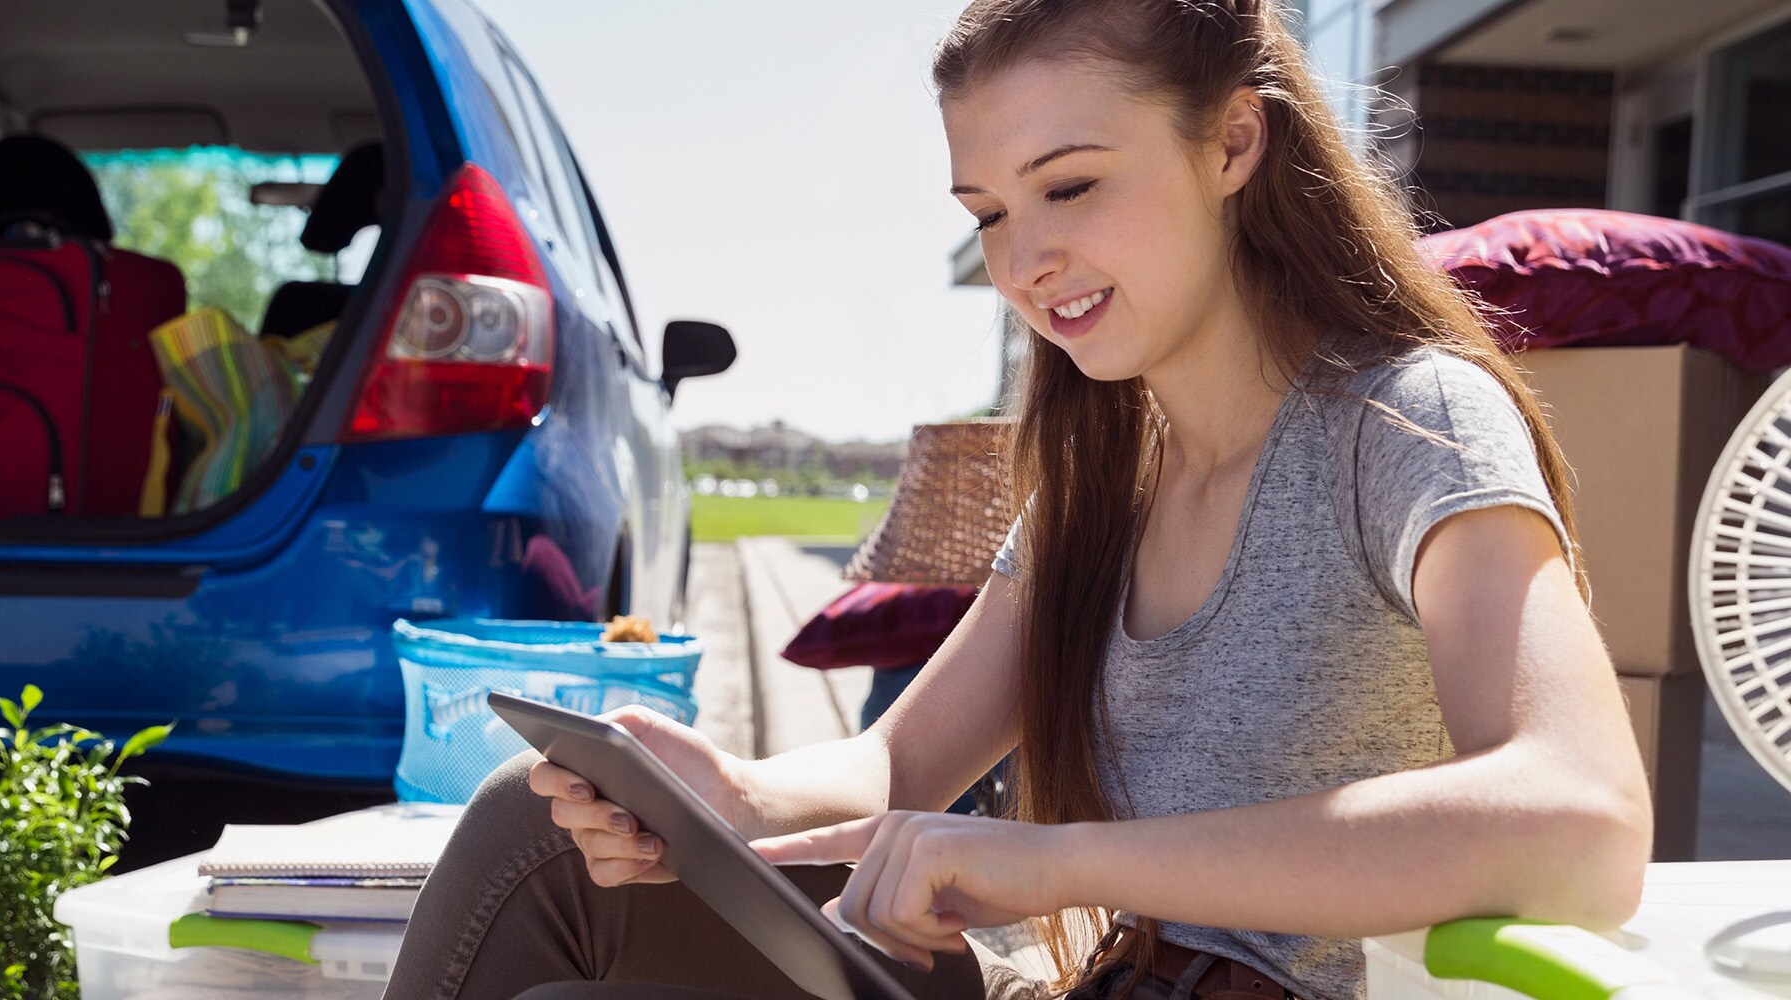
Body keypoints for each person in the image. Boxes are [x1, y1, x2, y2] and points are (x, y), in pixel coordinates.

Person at [380, 1, 1653, 998]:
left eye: (1072, 185)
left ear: (1234, 142)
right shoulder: (1106, 480)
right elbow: (899, 759)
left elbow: (1581, 819)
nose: (1022, 260)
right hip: (1082, 982)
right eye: (988, 211)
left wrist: (1053, 862)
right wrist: (736, 792)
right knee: (535, 836)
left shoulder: (1406, 421)